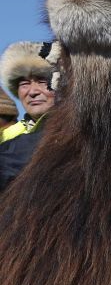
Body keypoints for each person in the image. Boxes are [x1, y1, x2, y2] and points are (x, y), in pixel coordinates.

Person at [0, 41, 58, 191]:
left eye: (42, 81)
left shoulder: (80, 130)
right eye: (24, 84)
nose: (32, 92)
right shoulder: (5, 135)